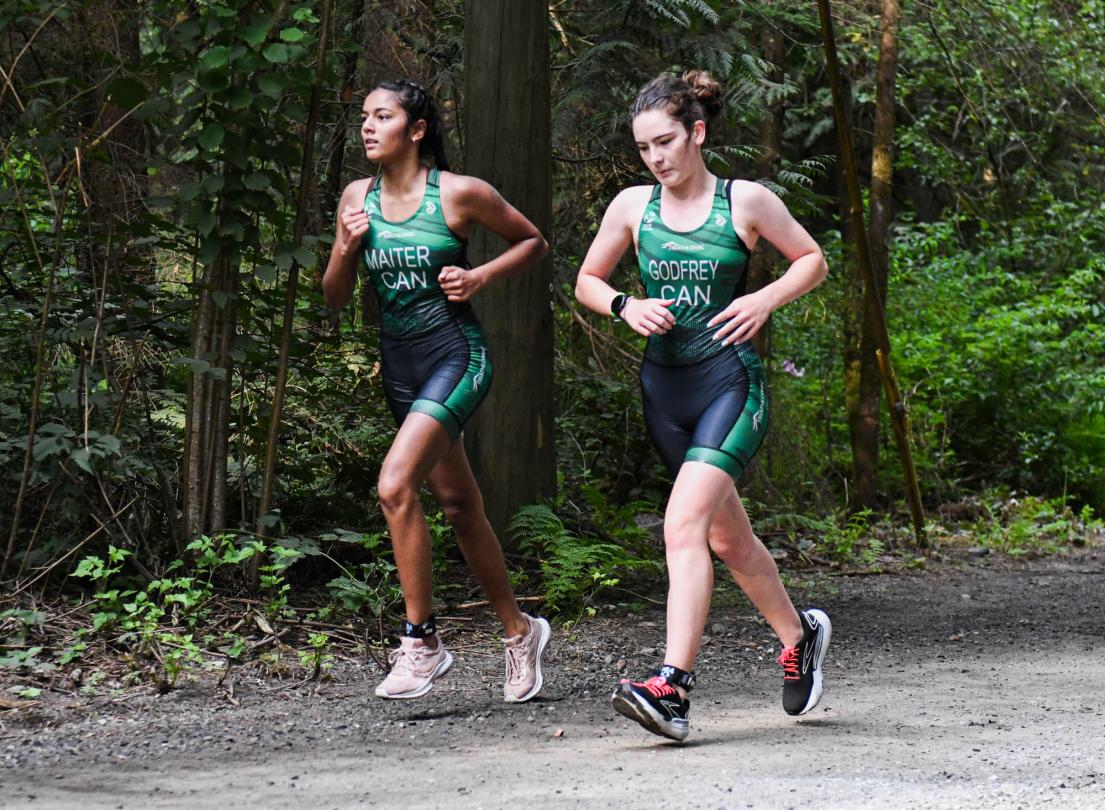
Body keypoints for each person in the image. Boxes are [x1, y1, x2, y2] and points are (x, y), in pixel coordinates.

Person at [574, 70, 832, 741]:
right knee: (725, 537)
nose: (656, 158)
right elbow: (588, 281)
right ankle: (797, 636)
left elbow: (811, 260)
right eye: (643, 148)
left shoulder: (743, 201)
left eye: (665, 141)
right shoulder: (632, 208)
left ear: (697, 132)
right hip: (664, 392)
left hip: (728, 386)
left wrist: (762, 298)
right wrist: (625, 307)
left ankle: (672, 689)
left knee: (681, 525)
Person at [322, 78, 550, 702]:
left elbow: (533, 241)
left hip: (457, 355)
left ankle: (421, 642)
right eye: (363, 116)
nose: (368, 126)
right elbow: (335, 298)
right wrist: (345, 246)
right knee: (458, 505)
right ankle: (520, 632)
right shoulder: (354, 197)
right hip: (400, 367)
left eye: (382, 116)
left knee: (395, 484)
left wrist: (479, 276)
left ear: (416, 129)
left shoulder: (458, 194)